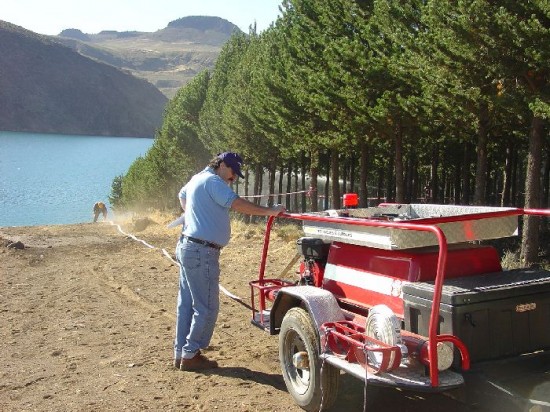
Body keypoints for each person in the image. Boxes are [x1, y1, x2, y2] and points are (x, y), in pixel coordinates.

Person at [173, 152, 285, 371]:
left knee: (187, 303)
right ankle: (191, 354)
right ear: (222, 165)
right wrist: (269, 212)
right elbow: (237, 204)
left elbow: (182, 195)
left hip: (188, 246)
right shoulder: (213, 181)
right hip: (202, 251)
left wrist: (193, 213)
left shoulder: (198, 178)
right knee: (206, 306)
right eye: (233, 173)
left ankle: (181, 352)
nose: (233, 179)